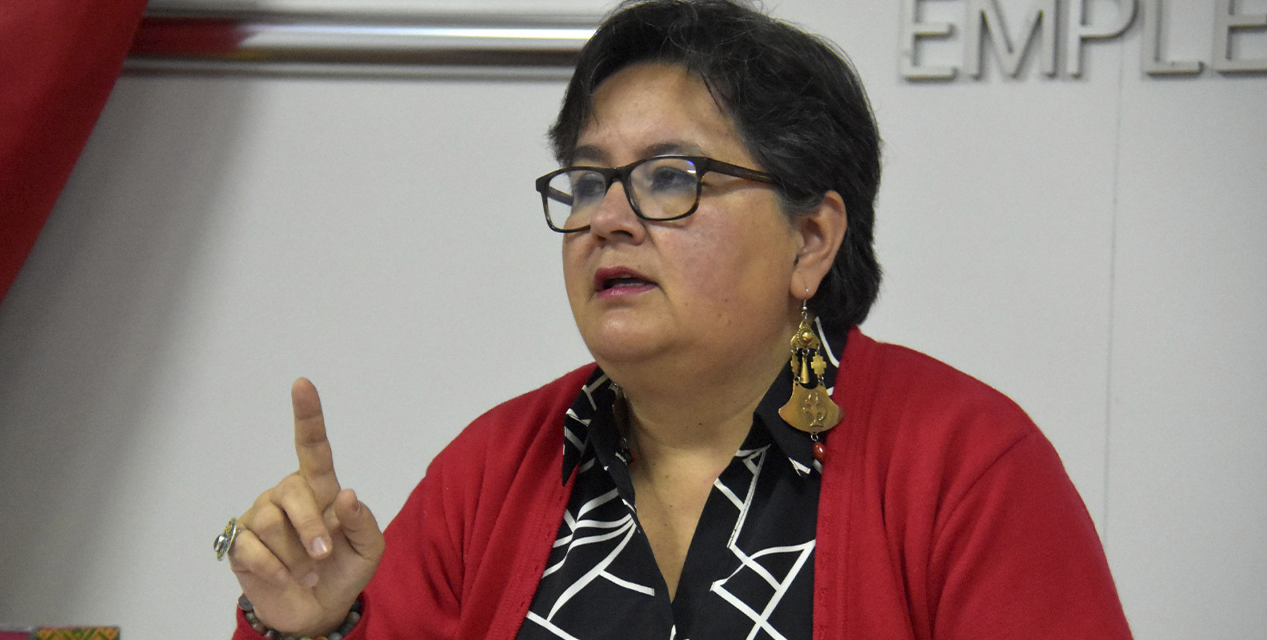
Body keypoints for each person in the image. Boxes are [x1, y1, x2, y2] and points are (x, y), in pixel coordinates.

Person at [219, 1, 1134, 638]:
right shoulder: (492, 473)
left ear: (811, 239)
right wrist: (310, 627)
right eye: (588, 181)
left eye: (670, 177)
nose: (607, 219)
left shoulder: (965, 465)